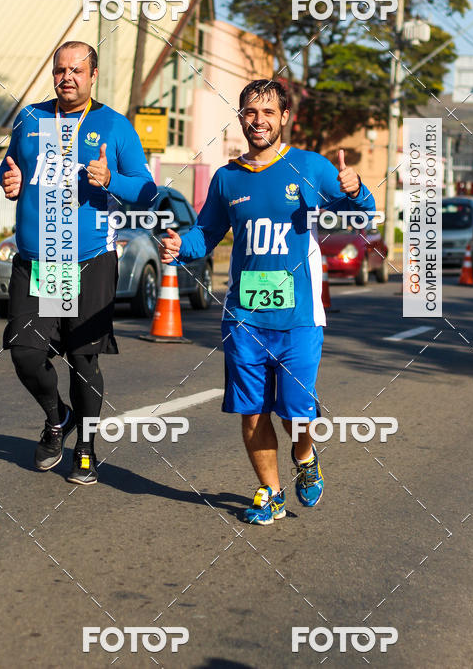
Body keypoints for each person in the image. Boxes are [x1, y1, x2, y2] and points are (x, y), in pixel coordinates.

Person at [160, 79, 375, 524]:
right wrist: (182, 244)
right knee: (252, 411)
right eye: (249, 113)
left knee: (297, 414)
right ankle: (270, 492)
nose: (258, 121)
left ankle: (305, 453)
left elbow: (361, 217)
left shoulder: (310, 169)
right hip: (244, 319)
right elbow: (207, 234)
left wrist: (355, 190)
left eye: (267, 113)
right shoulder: (227, 177)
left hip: (299, 319)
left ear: (284, 118)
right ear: (241, 117)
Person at [0, 41, 156, 484]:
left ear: (94, 75)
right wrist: (7, 179)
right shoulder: (31, 118)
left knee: (83, 360)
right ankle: (57, 419)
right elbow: (10, 166)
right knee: (26, 354)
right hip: (38, 260)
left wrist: (113, 180)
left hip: (88, 260)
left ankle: (85, 447)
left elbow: (146, 190)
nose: (67, 77)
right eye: (60, 70)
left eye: (76, 70)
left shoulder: (113, 125)